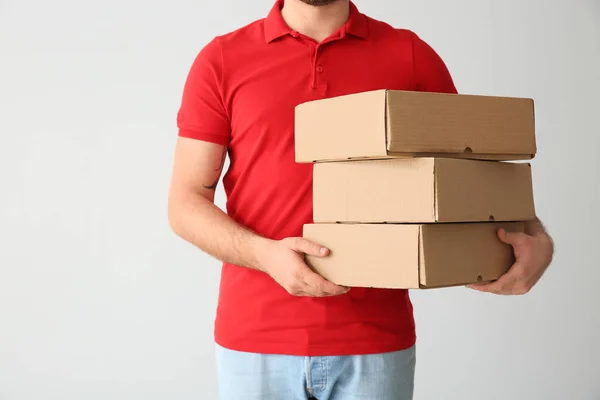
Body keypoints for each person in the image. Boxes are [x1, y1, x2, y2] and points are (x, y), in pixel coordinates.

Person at [168, 0, 555, 399]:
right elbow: (185, 202)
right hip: (255, 340)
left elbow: (467, 173)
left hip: (375, 341)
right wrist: (264, 255)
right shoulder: (222, 59)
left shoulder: (409, 56)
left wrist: (532, 235)